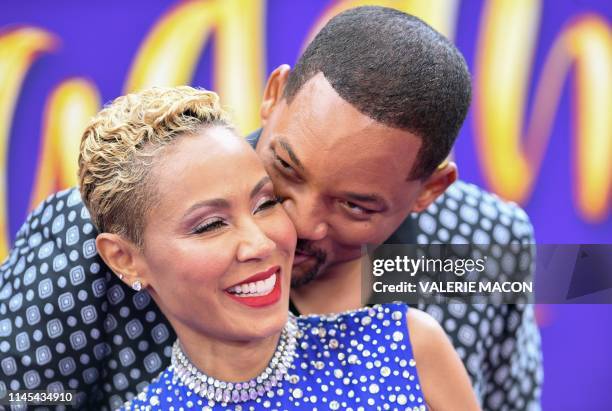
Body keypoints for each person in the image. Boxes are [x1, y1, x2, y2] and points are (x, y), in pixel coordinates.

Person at [0, 6, 541, 410]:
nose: (295, 224)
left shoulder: (485, 248)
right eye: (286, 171)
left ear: (429, 190)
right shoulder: (90, 231)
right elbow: (22, 395)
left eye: (354, 206)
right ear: (274, 93)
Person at [76, 85, 479, 410]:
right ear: (124, 259)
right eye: (210, 225)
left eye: (266, 203)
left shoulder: (405, 346)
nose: (260, 242)